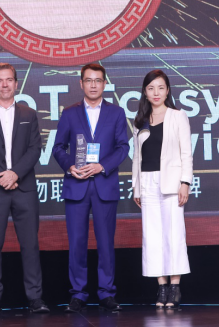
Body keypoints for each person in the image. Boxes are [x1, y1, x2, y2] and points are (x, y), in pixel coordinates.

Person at [0, 62, 49, 315]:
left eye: (9, 80)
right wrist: (1, 176)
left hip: (24, 188)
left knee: (30, 245)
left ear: (16, 83)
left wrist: (15, 174)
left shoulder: (29, 113)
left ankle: (35, 298)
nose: (5, 85)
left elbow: (35, 149)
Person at [52, 63, 130, 313]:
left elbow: (123, 147)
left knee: (106, 243)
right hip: (77, 185)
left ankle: (107, 293)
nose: (93, 85)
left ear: (105, 83)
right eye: (89, 80)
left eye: (98, 80)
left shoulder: (116, 113)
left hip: (105, 185)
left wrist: (101, 166)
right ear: (81, 83)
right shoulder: (69, 113)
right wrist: (69, 166)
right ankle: (78, 294)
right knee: (77, 242)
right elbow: (58, 147)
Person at [132, 69, 192, 309]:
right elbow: (137, 157)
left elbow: (186, 152)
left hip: (171, 181)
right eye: (151, 88)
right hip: (147, 181)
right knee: (153, 235)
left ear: (167, 91)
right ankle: (162, 286)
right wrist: (136, 187)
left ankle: (175, 286)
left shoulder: (178, 116)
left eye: (160, 87)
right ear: (145, 93)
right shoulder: (140, 121)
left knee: (173, 234)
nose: (156, 92)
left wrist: (185, 182)